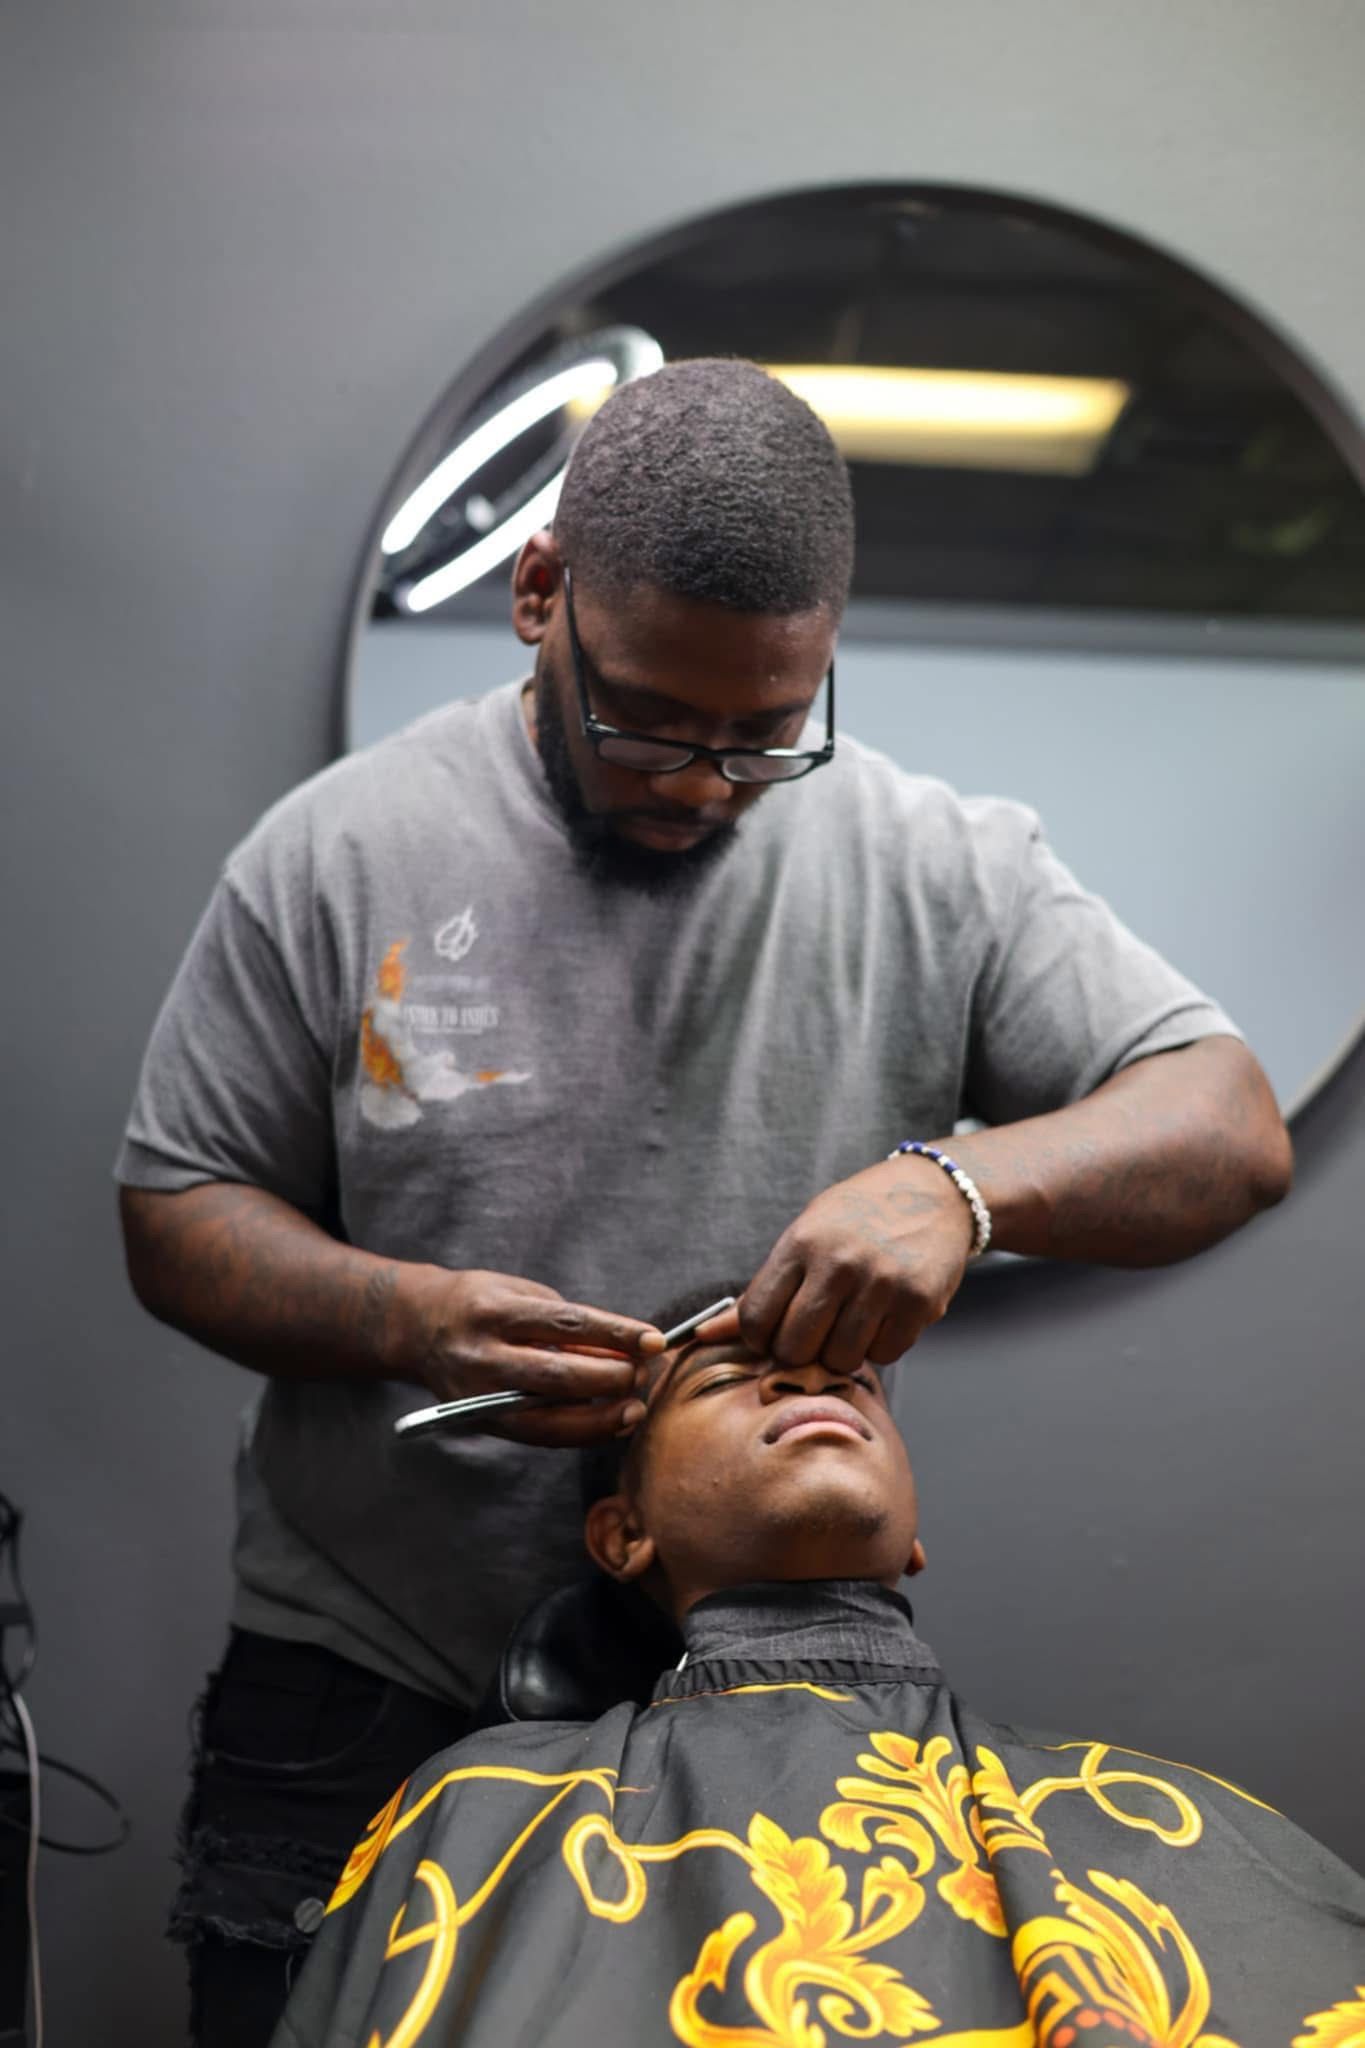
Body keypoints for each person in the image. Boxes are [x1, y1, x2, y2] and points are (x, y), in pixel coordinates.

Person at [115, 359, 1293, 2040]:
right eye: (650, 720)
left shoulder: (936, 865)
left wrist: (961, 1186)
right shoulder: (338, 857)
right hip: (364, 1672)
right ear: (542, 596)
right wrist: (406, 1314)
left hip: (777, 1705)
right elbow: (176, 1212)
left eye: (765, 730)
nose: (705, 779)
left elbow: (1228, 1123)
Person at [270, 1301, 1365, 2048]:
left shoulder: (1174, 1816)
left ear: (915, 1534)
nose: (808, 1376)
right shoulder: (484, 1803)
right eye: (727, 1376)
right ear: (623, 1534)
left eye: (854, 1383)